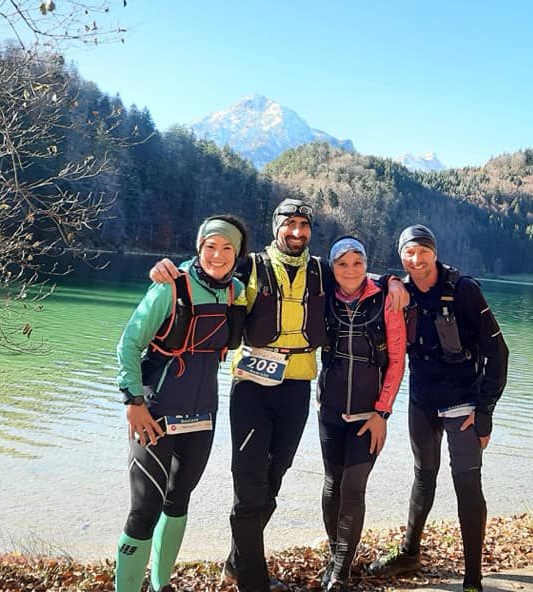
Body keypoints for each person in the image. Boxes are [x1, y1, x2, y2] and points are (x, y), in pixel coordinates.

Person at [149, 199, 407, 592]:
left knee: (273, 480)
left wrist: (393, 280)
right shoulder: (248, 265)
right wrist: (171, 269)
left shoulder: (322, 270)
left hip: (297, 387)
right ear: (276, 227)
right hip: (251, 388)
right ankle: (254, 582)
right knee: (249, 483)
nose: (297, 232)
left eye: (304, 225)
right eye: (289, 224)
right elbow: (208, 269)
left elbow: (357, 274)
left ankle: (237, 563)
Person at [369, 224, 509, 592]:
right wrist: (388, 280)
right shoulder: (402, 291)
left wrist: (485, 411)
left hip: (463, 402)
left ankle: (473, 578)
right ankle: (410, 552)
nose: (416, 260)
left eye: (422, 251)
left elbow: (499, 353)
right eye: (408, 253)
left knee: (466, 483)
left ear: (434, 252)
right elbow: (349, 277)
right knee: (423, 475)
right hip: (422, 402)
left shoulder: (464, 291)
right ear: (401, 255)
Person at [115, 214, 248, 592]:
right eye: (210, 246)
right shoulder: (169, 286)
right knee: (143, 511)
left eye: (227, 248)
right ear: (198, 248)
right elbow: (128, 343)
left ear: (237, 253)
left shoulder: (237, 290)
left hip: (203, 416)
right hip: (155, 413)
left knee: (178, 503)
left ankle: (161, 585)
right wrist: (133, 401)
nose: (217, 255)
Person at [318, 235, 406, 592]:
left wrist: (382, 413)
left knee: (353, 488)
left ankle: (340, 572)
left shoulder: (385, 298)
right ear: (332, 268)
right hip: (330, 410)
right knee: (331, 486)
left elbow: (398, 361)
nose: (351, 270)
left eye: (357, 262)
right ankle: (336, 553)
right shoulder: (324, 296)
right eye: (342, 264)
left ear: (367, 264)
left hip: (369, 415)